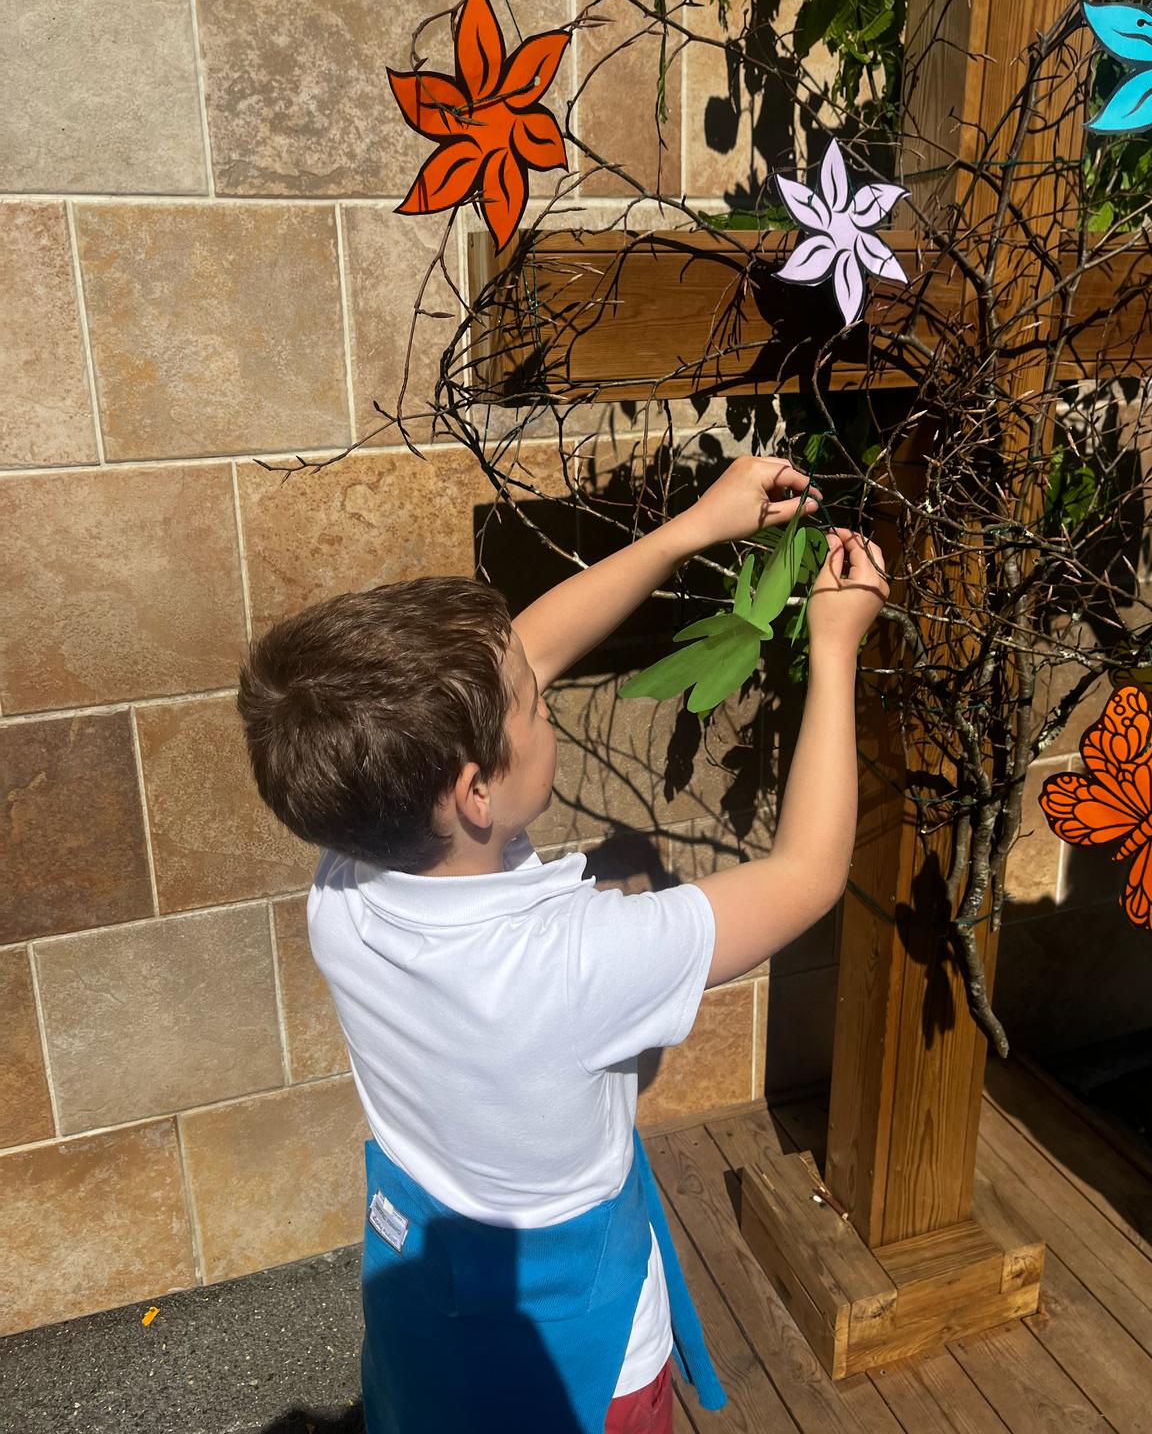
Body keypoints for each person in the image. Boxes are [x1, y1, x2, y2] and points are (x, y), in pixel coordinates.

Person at [237, 454, 888, 1434]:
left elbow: (522, 654)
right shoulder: (574, 961)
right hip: (586, 1363)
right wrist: (836, 652)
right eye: (536, 705)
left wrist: (691, 529)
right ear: (474, 792)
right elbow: (806, 875)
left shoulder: (348, 884)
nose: (547, 692)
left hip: (426, 1303)